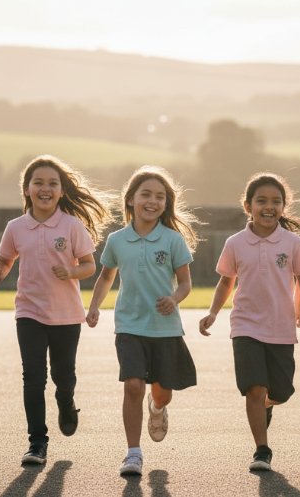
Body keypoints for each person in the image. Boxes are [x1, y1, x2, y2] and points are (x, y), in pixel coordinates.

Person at [0, 155, 112, 465]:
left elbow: (88, 265)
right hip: (28, 312)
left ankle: (66, 403)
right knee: (33, 376)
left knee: (63, 376)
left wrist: (71, 273)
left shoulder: (71, 226)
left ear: (61, 190)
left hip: (67, 315)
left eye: (52, 183)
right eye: (38, 183)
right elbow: (5, 259)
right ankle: (36, 442)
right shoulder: (16, 227)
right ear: (27, 189)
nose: (45, 188)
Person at [198, 173, 300, 472]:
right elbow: (227, 281)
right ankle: (262, 450)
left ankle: (267, 404)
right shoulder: (235, 243)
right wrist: (214, 313)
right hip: (246, 327)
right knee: (254, 388)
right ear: (248, 205)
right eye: (262, 201)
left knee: (280, 392)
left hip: (281, 327)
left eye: (276, 202)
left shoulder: (291, 242)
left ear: (283, 207)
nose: (269, 207)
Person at [86, 166, 201, 476]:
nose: (152, 201)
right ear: (131, 200)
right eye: (146, 194)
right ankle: (133, 453)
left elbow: (185, 284)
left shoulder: (173, 240)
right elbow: (106, 276)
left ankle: (158, 408)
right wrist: (94, 306)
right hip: (129, 326)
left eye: (160, 196)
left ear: (166, 203)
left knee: (162, 391)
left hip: (165, 328)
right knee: (133, 385)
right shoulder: (117, 240)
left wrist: (174, 299)